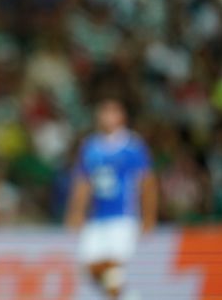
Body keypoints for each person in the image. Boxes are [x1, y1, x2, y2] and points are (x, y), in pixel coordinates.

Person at [65, 99, 157, 300]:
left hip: (123, 215)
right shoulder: (90, 146)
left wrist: (149, 216)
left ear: (122, 116)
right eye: (104, 112)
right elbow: (84, 182)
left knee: (113, 264)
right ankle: (127, 296)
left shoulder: (132, 146)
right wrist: (77, 212)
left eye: (113, 112)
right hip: (97, 217)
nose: (107, 116)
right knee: (90, 267)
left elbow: (146, 182)